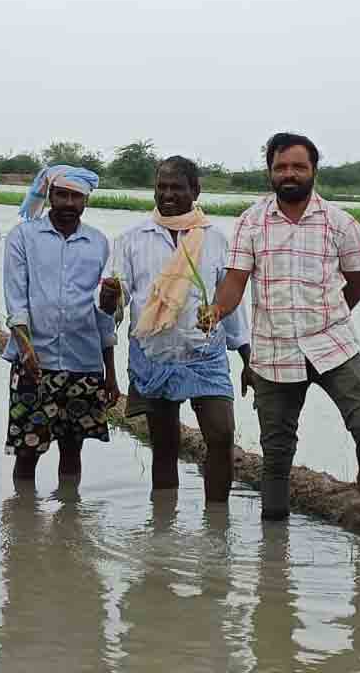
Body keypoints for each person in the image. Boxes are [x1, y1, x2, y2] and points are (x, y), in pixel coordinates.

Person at [201, 132, 360, 520]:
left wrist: (330, 314)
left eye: (298, 167)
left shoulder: (341, 223)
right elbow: (236, 280)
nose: (289, 174)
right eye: (281, 167)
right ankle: (274, 555)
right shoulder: (251, 222)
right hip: (273, 350)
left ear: (313, 171)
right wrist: (217, 310)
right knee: (276, 452)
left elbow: (359, 284)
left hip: (333, 343)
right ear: (270, 172)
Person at [103, 156, 250, 502]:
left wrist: (247, 356)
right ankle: (162, 531)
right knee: (164, 445)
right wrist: (108, 301)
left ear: (195, 191)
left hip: (205, 354)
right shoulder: (131, 239)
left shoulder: (215, 240)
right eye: (162, 187)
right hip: (154, 354)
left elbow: (231, 303)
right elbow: (117, 304)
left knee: (221, 434)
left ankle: (217, 524)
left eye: (177, 188)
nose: (168, 195)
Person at [3, 164, 119, 480]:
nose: (69, 203)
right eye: (62, 195)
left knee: (73, 449)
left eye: (76, 197)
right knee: (27, 451)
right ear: (50, 195)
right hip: (34, 363)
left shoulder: (98, 243)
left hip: (84, 362)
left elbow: (103, 316)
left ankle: (70, 514)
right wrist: (26, 351)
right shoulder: (23, 237)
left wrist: (110, 372)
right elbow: (16, 302)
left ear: (86, 201)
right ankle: (24, 522)